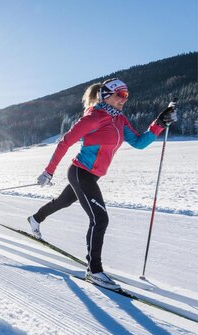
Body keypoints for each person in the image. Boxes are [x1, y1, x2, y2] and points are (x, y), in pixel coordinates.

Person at [27, 78, 177, 290]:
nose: (124, 99)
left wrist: (159, 123)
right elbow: (65, 142)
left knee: (63, 201)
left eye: (126, 95)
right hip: (81, 173)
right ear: (107, 95)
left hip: (93, 176)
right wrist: (48, 172)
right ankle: (94, 271)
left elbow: (139, 143)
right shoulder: (93, 117)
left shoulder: (120, 120)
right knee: (100, 219)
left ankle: (35, 218)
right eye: (120, 95)